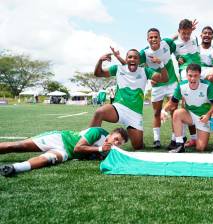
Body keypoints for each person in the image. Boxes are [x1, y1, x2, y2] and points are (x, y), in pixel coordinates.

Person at [90, 49, 168, 150]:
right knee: (99, 112)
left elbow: (164, 79)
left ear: (139, 61)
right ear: (126, 59)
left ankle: (128, 135)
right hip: (118, 108)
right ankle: (89, 143)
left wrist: (161, 64)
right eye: (130, 57)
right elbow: (98, 73)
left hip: (135, 114)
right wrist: (100, 61)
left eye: (135, 57)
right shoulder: (118, 69)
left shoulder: (145, 71)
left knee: (138, 146)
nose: (132, 59)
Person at [0, 127, 128, 177]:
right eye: (116, 139)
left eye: (119, 143)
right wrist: (100, 149)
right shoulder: (97, 132)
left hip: (66, 154)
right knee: (17, 146)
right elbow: (78, 148)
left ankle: (13, 168)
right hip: (59, 139)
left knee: (47, 160)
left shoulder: (111, 151)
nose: (116, 143)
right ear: (110, 135)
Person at [161, 63, 213, 153]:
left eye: (195, 76)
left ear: (200, 75)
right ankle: (180, 145)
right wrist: (163, 110)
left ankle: (200, 138)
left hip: (203, 117)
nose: (192, 78)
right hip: (190, 115)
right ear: (187, 75)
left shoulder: (207, 85)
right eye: (190, 75)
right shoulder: (181, 86)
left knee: (200, 148)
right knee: (177, 113)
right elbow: (172, 102)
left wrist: (208, 115)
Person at [139, 28, 178, 149]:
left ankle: (175, 138)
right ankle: (156, 139)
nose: (154, 39)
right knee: (156, 112)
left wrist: (182, 59)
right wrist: (148, 77)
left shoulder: (167, 43)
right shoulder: (144, 53)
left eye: (156, 37)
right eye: (151, 37)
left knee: (174, 112)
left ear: (160, 38)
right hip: (157, 85)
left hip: (172, 83)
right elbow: (134, 64)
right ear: (147, 39)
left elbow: (176, 37)